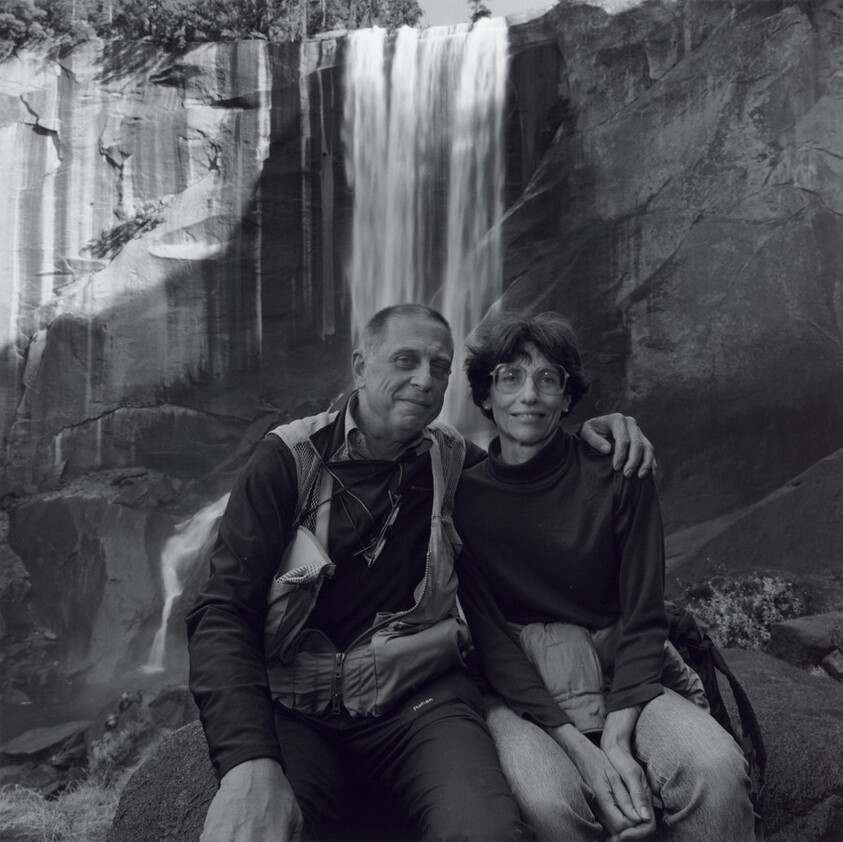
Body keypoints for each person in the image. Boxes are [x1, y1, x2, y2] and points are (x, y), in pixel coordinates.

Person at [187, 304, 655, 842]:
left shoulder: (453, 460)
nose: (424, 380)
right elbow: (222, 609)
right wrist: (248, 759)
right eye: (405, 360)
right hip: (298, 707)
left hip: (419, 704)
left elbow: (529, 464)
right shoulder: (287, 460)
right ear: (361, 367)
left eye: (440, 367)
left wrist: (600, 431)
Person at [454, 311, 756, 842]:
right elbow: (492, 641)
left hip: (624, 676)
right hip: (524, 694)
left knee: (715, 769)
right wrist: (581, 753)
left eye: (548, 378)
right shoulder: (463, 500)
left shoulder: (619, 471)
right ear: (484, 395)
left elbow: (644, 614)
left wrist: (615, 741)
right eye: (510, 377)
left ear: (567, 397)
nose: (530, 394)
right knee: (550, 803)